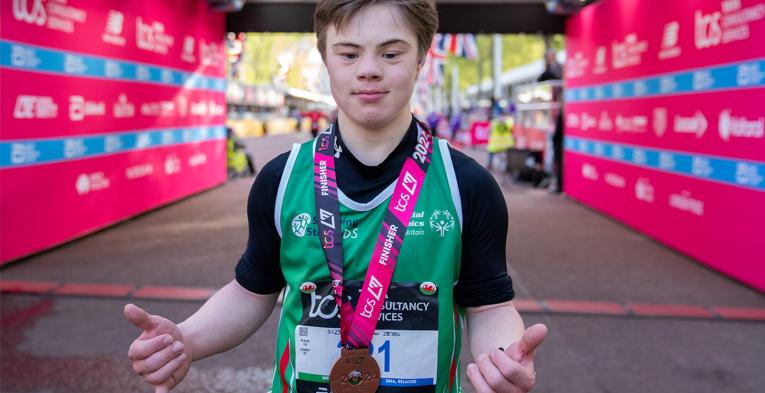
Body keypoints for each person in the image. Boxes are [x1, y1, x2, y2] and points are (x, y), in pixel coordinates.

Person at [124, 2, 547, 393]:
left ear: (421, 59)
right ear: (325, 59)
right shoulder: (282, 178)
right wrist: (185, 341)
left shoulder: (466, 183)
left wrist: (505, 360)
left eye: (391, 53)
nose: (368, 70)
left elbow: (489, 307)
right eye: (348, 53)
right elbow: (252, 292)